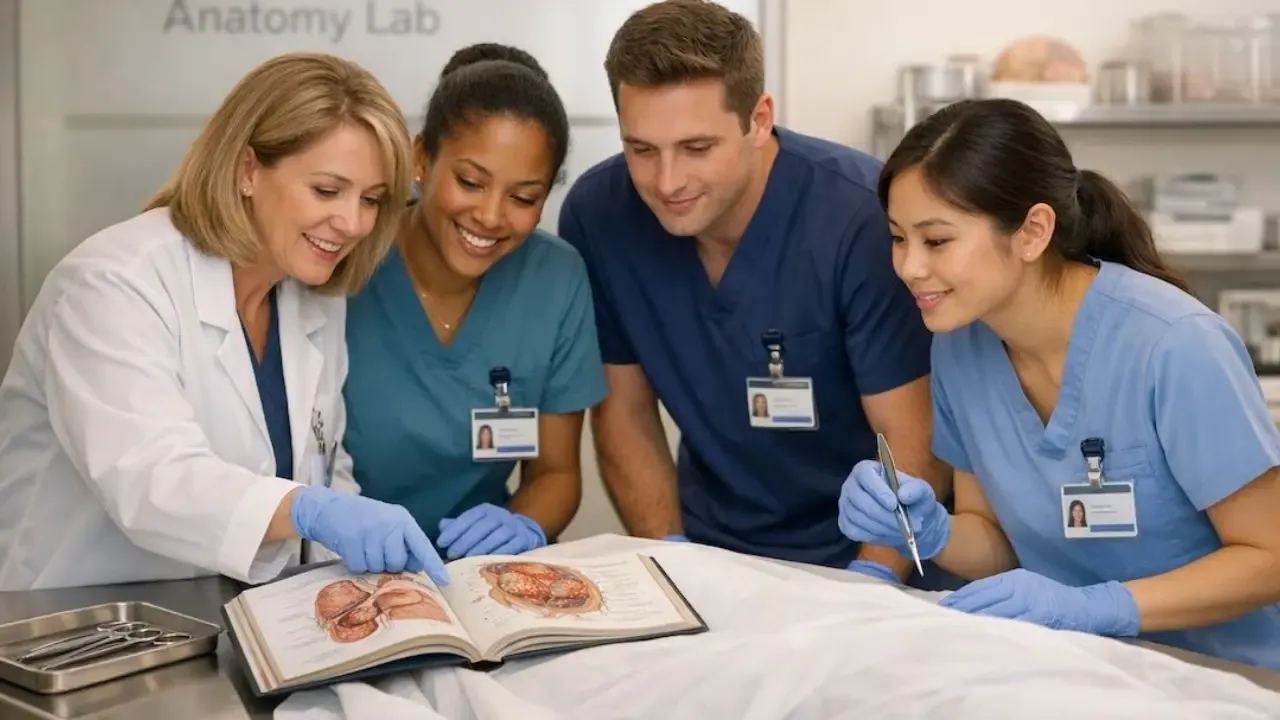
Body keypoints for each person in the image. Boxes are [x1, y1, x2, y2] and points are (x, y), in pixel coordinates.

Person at [838, 97, 1280, 669]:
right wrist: (932, 530)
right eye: (899, 238)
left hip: (1229, 680)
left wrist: (1101, 607)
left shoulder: (1174, 344)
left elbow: (1270, 557)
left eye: (937, 240)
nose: (909, 268)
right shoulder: (959, 347)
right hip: (1078, 671)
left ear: (1032, 231)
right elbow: (996, 543)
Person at [0, 52, 450, 591]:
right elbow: (151, 480)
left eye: (372, 199)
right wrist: (310, 509)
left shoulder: (311, 295)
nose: (352, 223)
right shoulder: (113, 284)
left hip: (226, 619)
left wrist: (365, 552)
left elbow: (322, 468)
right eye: (327, 190)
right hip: (77, 622)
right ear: (246, 171)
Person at [559, 0, 951, 583]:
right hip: (712, 551)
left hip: (866, 550)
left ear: (759, 118)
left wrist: (870, 586)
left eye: (697, 148)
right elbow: (625, 411)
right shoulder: (600, 215)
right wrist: (672, 560)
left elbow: (911, 438)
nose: (667, 182)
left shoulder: (859, 215)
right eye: (641, 149)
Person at [342, 43, 606, 562]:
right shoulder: (348, 258)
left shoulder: (556, 279)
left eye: (524, 197)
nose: (490, 215)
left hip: (478, 572)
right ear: (421, 159)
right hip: (338, 563)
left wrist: (520, 522)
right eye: (470, 182)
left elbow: (555, 473)